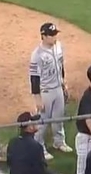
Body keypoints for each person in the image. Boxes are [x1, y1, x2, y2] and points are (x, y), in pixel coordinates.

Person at [29, 22, 71, 160]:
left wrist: (63, 82)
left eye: (55, 34)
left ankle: (59, 142)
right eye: (51, 35)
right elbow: (34, 78)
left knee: (59, 118)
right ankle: (39, 147)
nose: (54, 37)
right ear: (43, 36)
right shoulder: (37, 55)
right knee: (43, 121)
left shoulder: (58, 47)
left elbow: (61, 65)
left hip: (58, 88)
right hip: (45, 91)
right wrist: (37, 98)